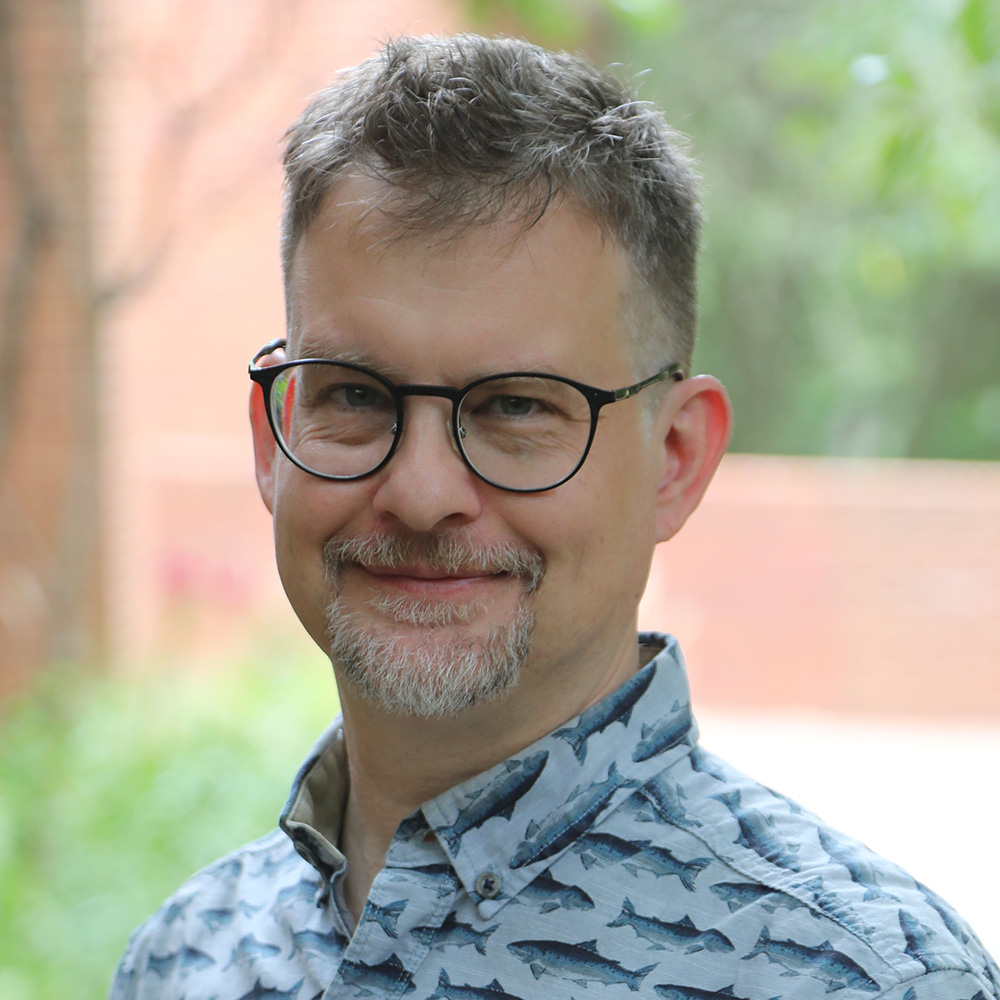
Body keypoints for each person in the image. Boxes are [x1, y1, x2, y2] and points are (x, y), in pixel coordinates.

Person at [109, 32, 999, 1000]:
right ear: (273, 435)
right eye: (354, 395)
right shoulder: (185, 958)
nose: (421, 492)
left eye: (515, 407)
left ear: (675, 459)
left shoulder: (859, 978)